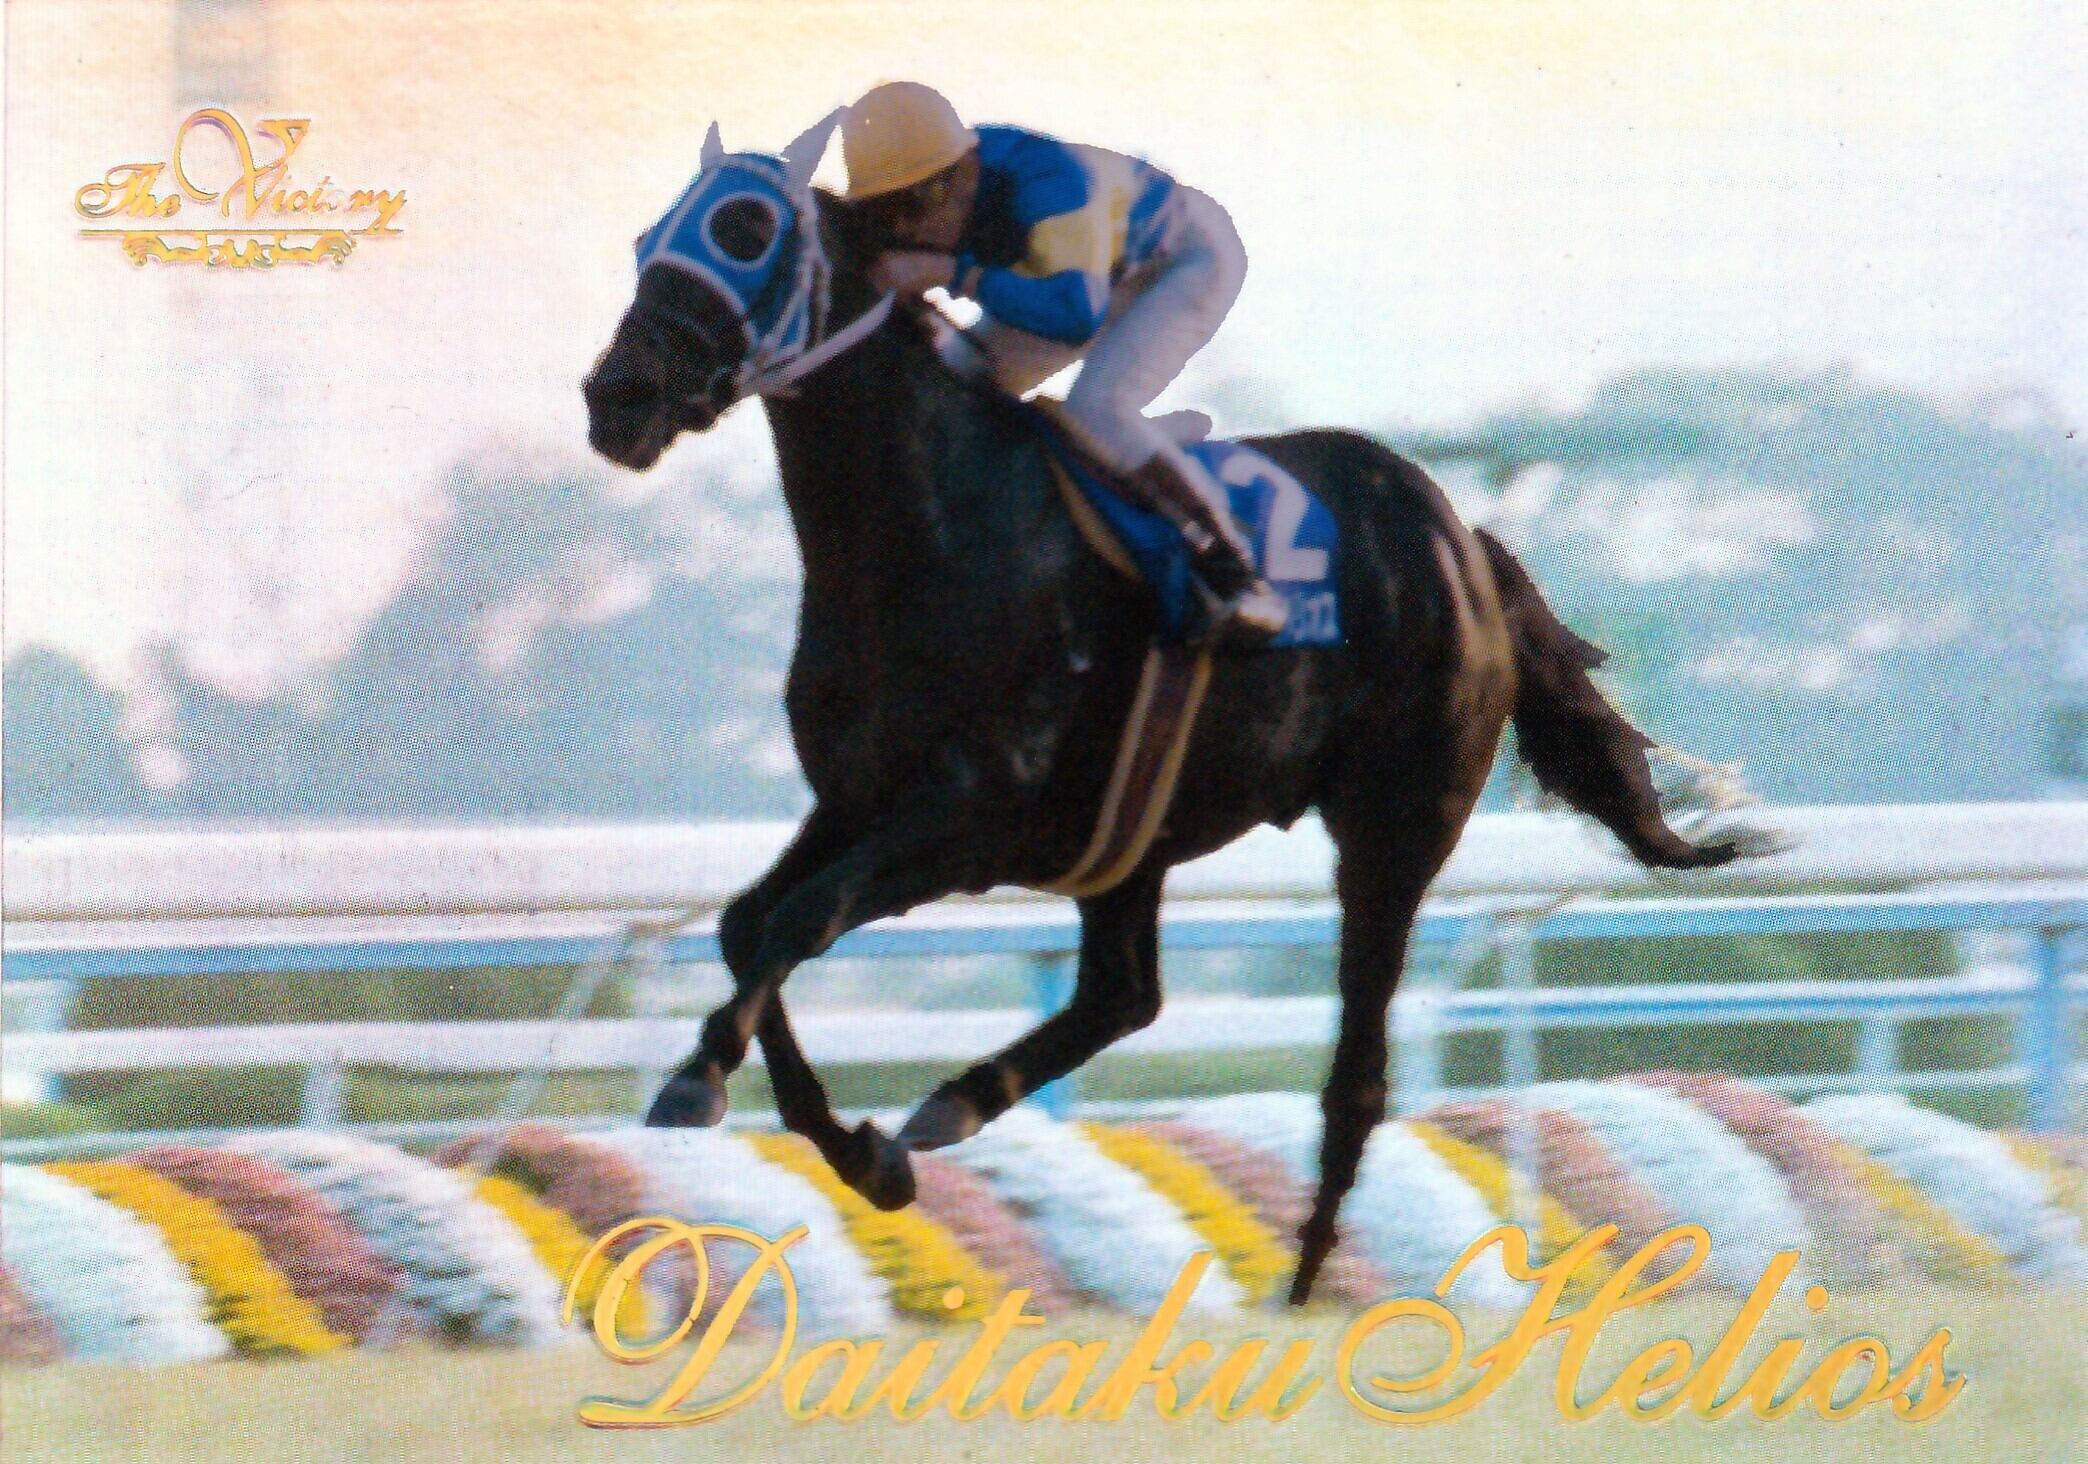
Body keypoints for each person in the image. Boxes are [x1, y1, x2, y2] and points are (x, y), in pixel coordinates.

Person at [839, 81, 1288, 645]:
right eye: (885, 211)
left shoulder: (1056, 184)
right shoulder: (949, 186)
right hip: (1078, 275)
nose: (905, 229)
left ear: (967, 173)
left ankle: (1234, 569)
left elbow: (1074, 315)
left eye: (914, 204)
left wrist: (951, 274)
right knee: (964, 378)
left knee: (1096, 408)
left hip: (1178, 263)